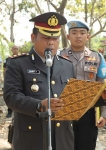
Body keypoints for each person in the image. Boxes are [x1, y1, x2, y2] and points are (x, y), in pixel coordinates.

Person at [4, 12, 75, 150]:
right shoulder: (18, 64)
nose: (51, 42)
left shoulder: (67, 65)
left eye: (55, 38)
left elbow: (71, 99)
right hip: (32, 137)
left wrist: (96, 98)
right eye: (46, 37)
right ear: (33, 37)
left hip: (63, 139)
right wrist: (38, 105)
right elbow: (11, 96)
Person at [60, 20, 106, 150]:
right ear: (68, 36)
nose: (78, 36)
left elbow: (103, 88)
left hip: (89, 112)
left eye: (82, 33)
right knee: (65, 146)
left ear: (88, 36)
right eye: (74, 33)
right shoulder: (58, 56)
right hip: (64, 112)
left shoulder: (97, 57)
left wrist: (104, 114)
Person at [3, 45, 19, 118]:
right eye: (14, 49)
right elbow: (5, 69)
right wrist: (4, 78)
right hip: (10, 80)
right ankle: (9, 112)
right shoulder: (7, 59)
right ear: (11, 50)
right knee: (10, 95)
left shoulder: (21, 59)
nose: (15, 50)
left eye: (17, 49)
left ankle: (18, 112)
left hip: (19, 80)